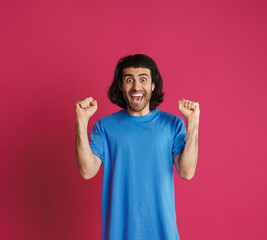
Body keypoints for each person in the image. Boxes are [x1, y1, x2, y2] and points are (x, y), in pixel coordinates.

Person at [75, 54, 200, 240]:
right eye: (129, 80)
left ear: (153, 85)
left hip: (163, 233)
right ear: (120, 86)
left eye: (143, 79)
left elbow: (187, 171)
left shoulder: (172, 124)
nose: (136, 87)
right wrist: (81, 122)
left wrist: (193, 122)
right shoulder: (105, 127)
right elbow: (87, 171)